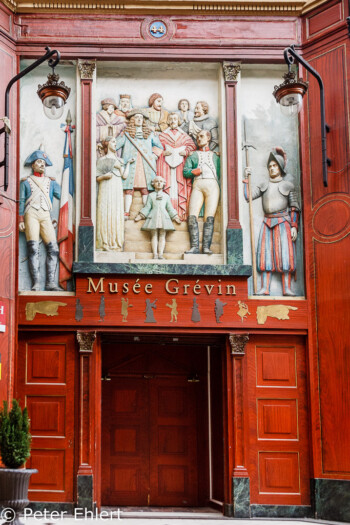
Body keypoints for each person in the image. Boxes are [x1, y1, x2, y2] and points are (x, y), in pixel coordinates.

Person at [243, 146, 300, 296]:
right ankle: (265, 288)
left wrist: (294, 226)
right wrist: (245, 179)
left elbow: (294, 208)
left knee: (285, 256)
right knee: (265, 255)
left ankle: (287, 288)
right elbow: (248, 196)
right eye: (270, 166)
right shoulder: (264, 185)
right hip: (267, 223)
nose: (272, 168)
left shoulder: (288, 186)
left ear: (280, 167)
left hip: (283, 223)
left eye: (274, 165)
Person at [19, 149, 61, 291]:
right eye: (39, 162)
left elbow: (62, 195)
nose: (42, 165)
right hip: (31, 214)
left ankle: (50, 283)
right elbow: (22, 200)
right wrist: (20, 219)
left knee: (53, 249)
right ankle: (36, 282)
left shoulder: (51, 182)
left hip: (45, 215)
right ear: (33, 165)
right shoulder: (26, 182)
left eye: (43, 162)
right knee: (33, 248)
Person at [114, 110, 163, 218]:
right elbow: (115, 146)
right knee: (128, 190)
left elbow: (159, 147)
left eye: (141, 117)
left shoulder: (150, 134)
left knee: (145, 189)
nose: (139, 119)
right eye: (136, 117)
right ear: (132, 120)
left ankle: (146, 212)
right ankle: (126, 212)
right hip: (131, 165)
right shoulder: (126, 134)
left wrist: (154, 156)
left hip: (146, 165)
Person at [183, 130, 220, 255]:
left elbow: (220, 172)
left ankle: (205, 247)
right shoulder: (193, 155)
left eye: (202, 136)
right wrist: (194, 172)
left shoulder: (215, 156)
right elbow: (186, 171)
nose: (199, 138)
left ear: (208, 138)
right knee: (192, 214)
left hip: (213, 186)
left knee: (209, 217)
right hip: (198, 185)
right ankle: (194, 247)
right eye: (197, 137)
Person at [96, 136, 134, 251]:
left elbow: (124, 176)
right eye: (113, 142)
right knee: (106, 211)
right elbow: (97, 177)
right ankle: (104, 242)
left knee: (116, 211)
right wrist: (104, 176)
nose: (115, 144)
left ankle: (116, 243)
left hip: (117, 186)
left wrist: (127, 164)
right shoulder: (102, 160)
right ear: (107, 144)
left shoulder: (120, 160)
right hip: (106, 187)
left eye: (116, 142)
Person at [157, 112, 196, 220]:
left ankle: (180, 212)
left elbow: (192, 146)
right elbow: (154, 147)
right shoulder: (162, 135)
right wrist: (162, 153)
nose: (173, 120)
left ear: (178, 121)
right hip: (166, 167)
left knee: (179, 188)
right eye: (171, 118)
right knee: (168, 187)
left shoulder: (184, 135)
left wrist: (186, 151)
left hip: (180, 166)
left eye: (175, 118)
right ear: (168, 121)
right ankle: (166, 213)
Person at [134, 176, 181, 259]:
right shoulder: (151, 195)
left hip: (164, 217)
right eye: (157, 181)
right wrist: (140, 215)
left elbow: (169, 207)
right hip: (153, 217)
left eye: (161, 181)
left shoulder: (166, 196)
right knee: (154, 235)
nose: (159, 183)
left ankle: (160, 254)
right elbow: (147, 207)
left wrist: (175, 216)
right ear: (153, 184)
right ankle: (155, 254)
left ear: (163, 184)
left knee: (163, 235)